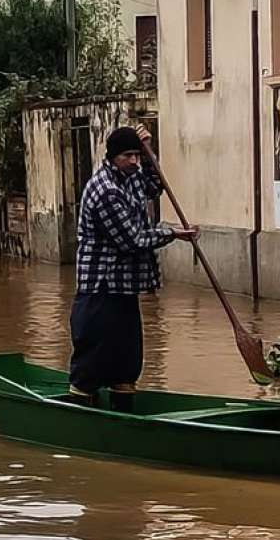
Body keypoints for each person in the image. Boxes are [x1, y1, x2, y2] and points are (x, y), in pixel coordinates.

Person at [69, 125, 197, 405]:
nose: (134, 161)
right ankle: (80, 407)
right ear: (114, 156)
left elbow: (155, 184)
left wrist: (150, 150)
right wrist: (172, 233)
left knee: (127, 357)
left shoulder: (133, 176)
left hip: (125, 285)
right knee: (92, 355)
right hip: (100, 285)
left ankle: (123, 404)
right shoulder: (105, 190)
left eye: (137, 156)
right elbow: (132, 240)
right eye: (129, 156)